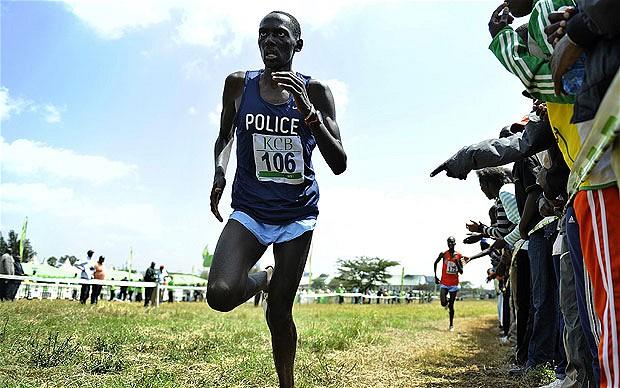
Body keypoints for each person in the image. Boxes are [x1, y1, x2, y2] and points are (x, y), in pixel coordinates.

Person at [205, 11, 346, 388]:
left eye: (280, 35)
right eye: (263, 34)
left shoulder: (315, 91)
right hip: (250, 208)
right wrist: (219, 171)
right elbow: (224, 137)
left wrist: (307, 111)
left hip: (296, 215)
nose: (270, 41)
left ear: (297, 44)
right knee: (219, 294)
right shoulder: (238, 85)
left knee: (279, 312)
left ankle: (287, 384)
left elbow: (340, 163)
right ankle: (265, 277)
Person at [433, 237, 464, 331]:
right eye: (448, 243)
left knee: (451, 305)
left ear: (455, 243)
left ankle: (451, 325)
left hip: (454, 284)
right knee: (443, 302)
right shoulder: (443, 254)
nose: (450, 244)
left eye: (452, 242)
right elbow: (435, 263)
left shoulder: (459, 255)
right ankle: (446, 302)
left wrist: (457, 263)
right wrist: (435, 276)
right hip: (444, 282)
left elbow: (461, 271)